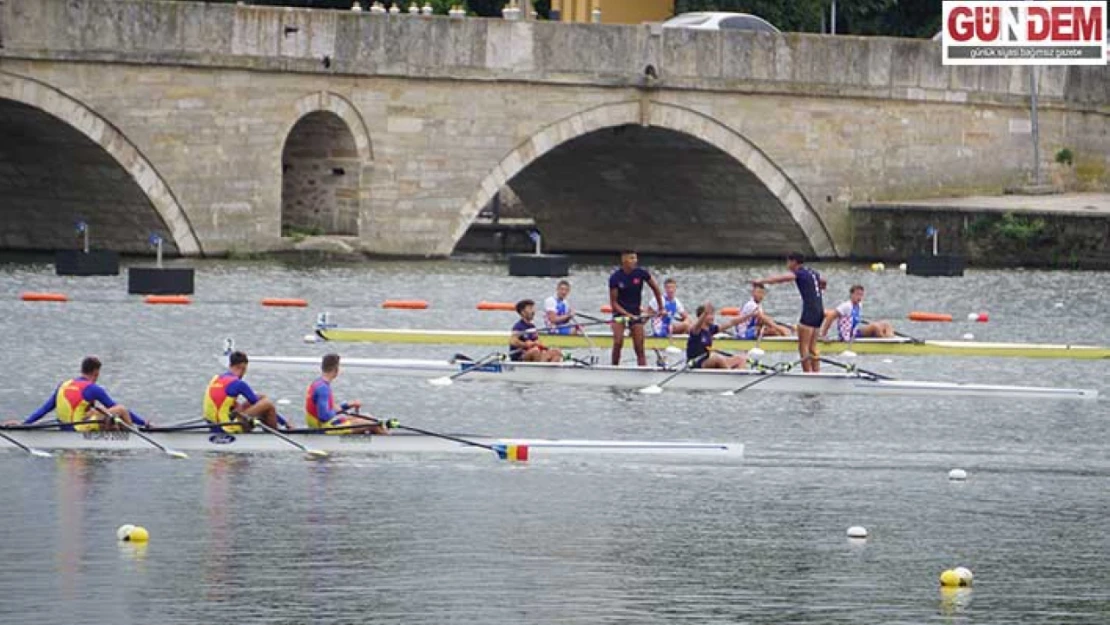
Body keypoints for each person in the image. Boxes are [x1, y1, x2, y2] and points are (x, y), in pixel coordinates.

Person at [7, 356, 146, 431]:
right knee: (120, 409)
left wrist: (25, 424)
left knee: (101, 412)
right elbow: (115, 407)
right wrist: (144, 423)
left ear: (82, 370)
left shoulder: (64, 384)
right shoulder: (93, 388)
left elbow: (44, 409)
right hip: (78, 429)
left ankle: (118, 432)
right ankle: (134, 435)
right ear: (96, 372)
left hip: (64, 427)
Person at [755, 252, 828, 373]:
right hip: (819, 310)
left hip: (809, 311)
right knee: (813, 347)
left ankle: (807, 375)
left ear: (794, 262)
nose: (787, 264)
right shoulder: (813, 272)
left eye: (788, 261)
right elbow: (824, 281)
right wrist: (821, 288)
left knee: (803, 347)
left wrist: (761, 281)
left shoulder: (798, 273)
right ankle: (817, 373)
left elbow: (780, 279)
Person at [305, 354, 388, 435]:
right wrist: (338, 411)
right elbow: (324, 417)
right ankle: (390, 443)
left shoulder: (317, 384)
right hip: (325, 428)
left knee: (367, 416)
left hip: (323, 425)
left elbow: (331, 409)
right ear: (336, 370)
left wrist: (349, 404)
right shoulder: (323, 389)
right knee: (372, 424)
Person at [204, 350, 285, 433]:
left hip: (213, 425)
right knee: (267, 404)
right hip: (227, 428)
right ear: (243, 367)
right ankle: (273, 439)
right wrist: (284, 422)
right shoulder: (238, 383)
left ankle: (270, 433)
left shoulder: (215, 379)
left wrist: (237, 407)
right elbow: (257, 403)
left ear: (230, 365)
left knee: (261, 397)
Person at [609, 251, 664, 366]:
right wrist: (627, 315)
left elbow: (656, 289)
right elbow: (614, 304)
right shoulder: (615, 278)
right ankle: (614, 366)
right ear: (624, 260)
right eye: (632, 258)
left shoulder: (641, 273)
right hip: (619, 314)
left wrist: (661, 308)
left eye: (635, 258)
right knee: (618, 342)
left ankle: (642, 369)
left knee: (639, 346)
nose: (635, 261)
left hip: (636, 313)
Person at [820, 285, 896, 341]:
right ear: (851, 295)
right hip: (847, 336)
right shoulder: (846, 306)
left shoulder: (859, 305)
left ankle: (891, 339)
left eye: (861, 295)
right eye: (857, 294)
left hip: (855, 332)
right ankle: (885, 343)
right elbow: (831, 316)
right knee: (875, 327)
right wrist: (824, 334)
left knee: (886, 324)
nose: (859, 297)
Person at [686, 303, 748, 369]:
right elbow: (698, 324)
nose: (713, 317)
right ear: (702, 316)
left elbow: (731, 323)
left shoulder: (711, 329)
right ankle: (728, 374)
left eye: (713, 314)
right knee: (717, 358)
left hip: (707, 361)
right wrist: (705, 313)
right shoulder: (695, 330)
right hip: (696, 363)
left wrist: (749, 316)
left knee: (740, 359)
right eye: (710, 315)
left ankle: (736, 375)